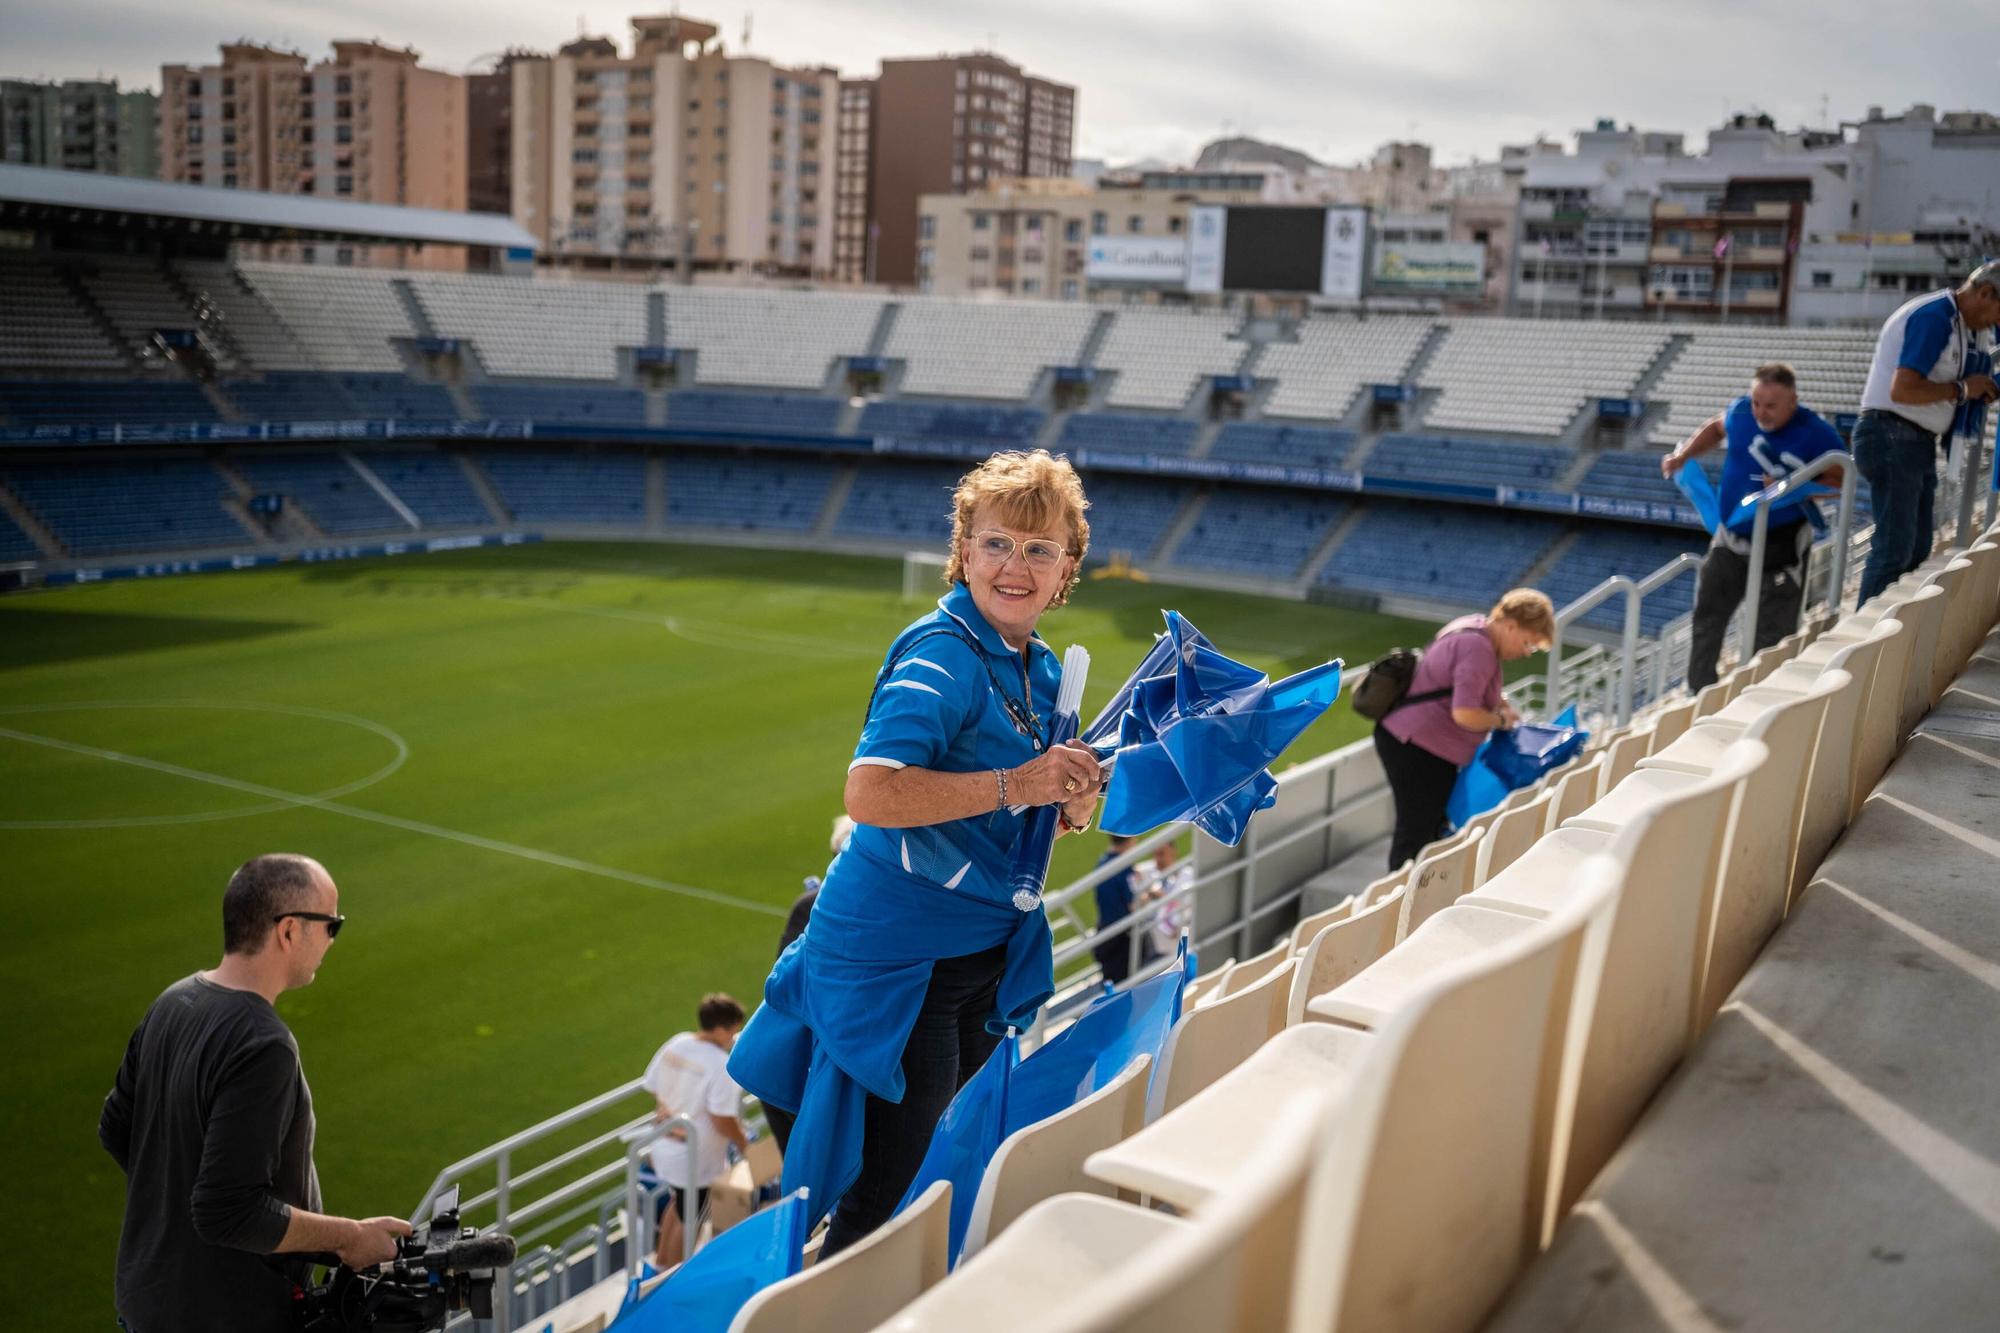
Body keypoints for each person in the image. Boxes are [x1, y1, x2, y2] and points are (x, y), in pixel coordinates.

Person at [729, 448, 1104, 1259]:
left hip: (970, 960)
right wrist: (1021, 781)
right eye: (998, 542)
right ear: (964, 549)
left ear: (1067, 568)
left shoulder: (1035, 665)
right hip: (898, 965)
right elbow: (871, 793)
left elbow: (1006, 812)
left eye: (1040, 550)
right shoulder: (941, 652)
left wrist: (1066, 805)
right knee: (884, 1205)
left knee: (941, 1175)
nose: (1016, 565)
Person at [99, 854, 411, 1333]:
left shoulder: (172, 1002)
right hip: (224, 1315)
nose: (332, 940)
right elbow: (229, 1211)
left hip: (147, 1301)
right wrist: (349, 1238)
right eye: (332, 925)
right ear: (288, 931)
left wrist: (178, 1204)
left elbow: (117, 1128)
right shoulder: (263, 1045)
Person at [1659, 363, 1849, 690]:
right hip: (1731, 539)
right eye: (1756, 402)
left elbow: (1843, 479)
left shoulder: (1815, 431)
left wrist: (1795, 482)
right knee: (1707, 617)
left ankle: (1764, 695)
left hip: (1782, 543)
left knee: (1771, 634)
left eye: (1771, 405)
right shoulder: (1742, 413)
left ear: (1793, 401)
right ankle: (1699, 694)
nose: (1761, 412)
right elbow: (1717, 428)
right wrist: (1684, 455)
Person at [1372, 590, 1555, 871]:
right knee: (1417, 832)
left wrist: (1498, 701)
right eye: (1528, 643)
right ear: (1511, 626)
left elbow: (1459, 684)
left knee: (1429, 828)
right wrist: (1502, 721)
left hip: (1413, 741)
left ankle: (1414, 895)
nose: (1525, 653)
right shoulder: (1479, 649)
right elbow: (1465, 713)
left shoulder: (1473, 627)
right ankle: (1398, 903)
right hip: (1418, 747)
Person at [1853, 262, 2000, 603]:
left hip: (1913, 442)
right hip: (1891, 435)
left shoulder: (1965, 326)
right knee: (1895, 549)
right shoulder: (1936, 317)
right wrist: (1963, 390)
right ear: (1985, 293)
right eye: (1997, 312)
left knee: (1917, 547)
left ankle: (1881, 636)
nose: (1996, 324)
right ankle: (1864, 641)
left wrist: (1977, 389)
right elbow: (1903, 390)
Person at [639, 993, 748, 1267]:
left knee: (680, 1203)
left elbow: (654, 1086)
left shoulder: (678, 1043)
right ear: (722, 1029)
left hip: (665, 1145)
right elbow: (722, 1118)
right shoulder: (721, 1065)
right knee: (693, 1216)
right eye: (734, 1030)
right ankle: (672, 1273)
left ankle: (660, 1264)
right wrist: (745, 1144)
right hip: (696, 1156)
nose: (734, 1037)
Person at [1091, 833, 1160, 985]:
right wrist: (1151, 894)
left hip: (1105, 932)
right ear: (1131, 839)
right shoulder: (1124, 867)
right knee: (1128, 984)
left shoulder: (1103, 862)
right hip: (1121, 939)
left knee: (1112, 986)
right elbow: (1133, 905)